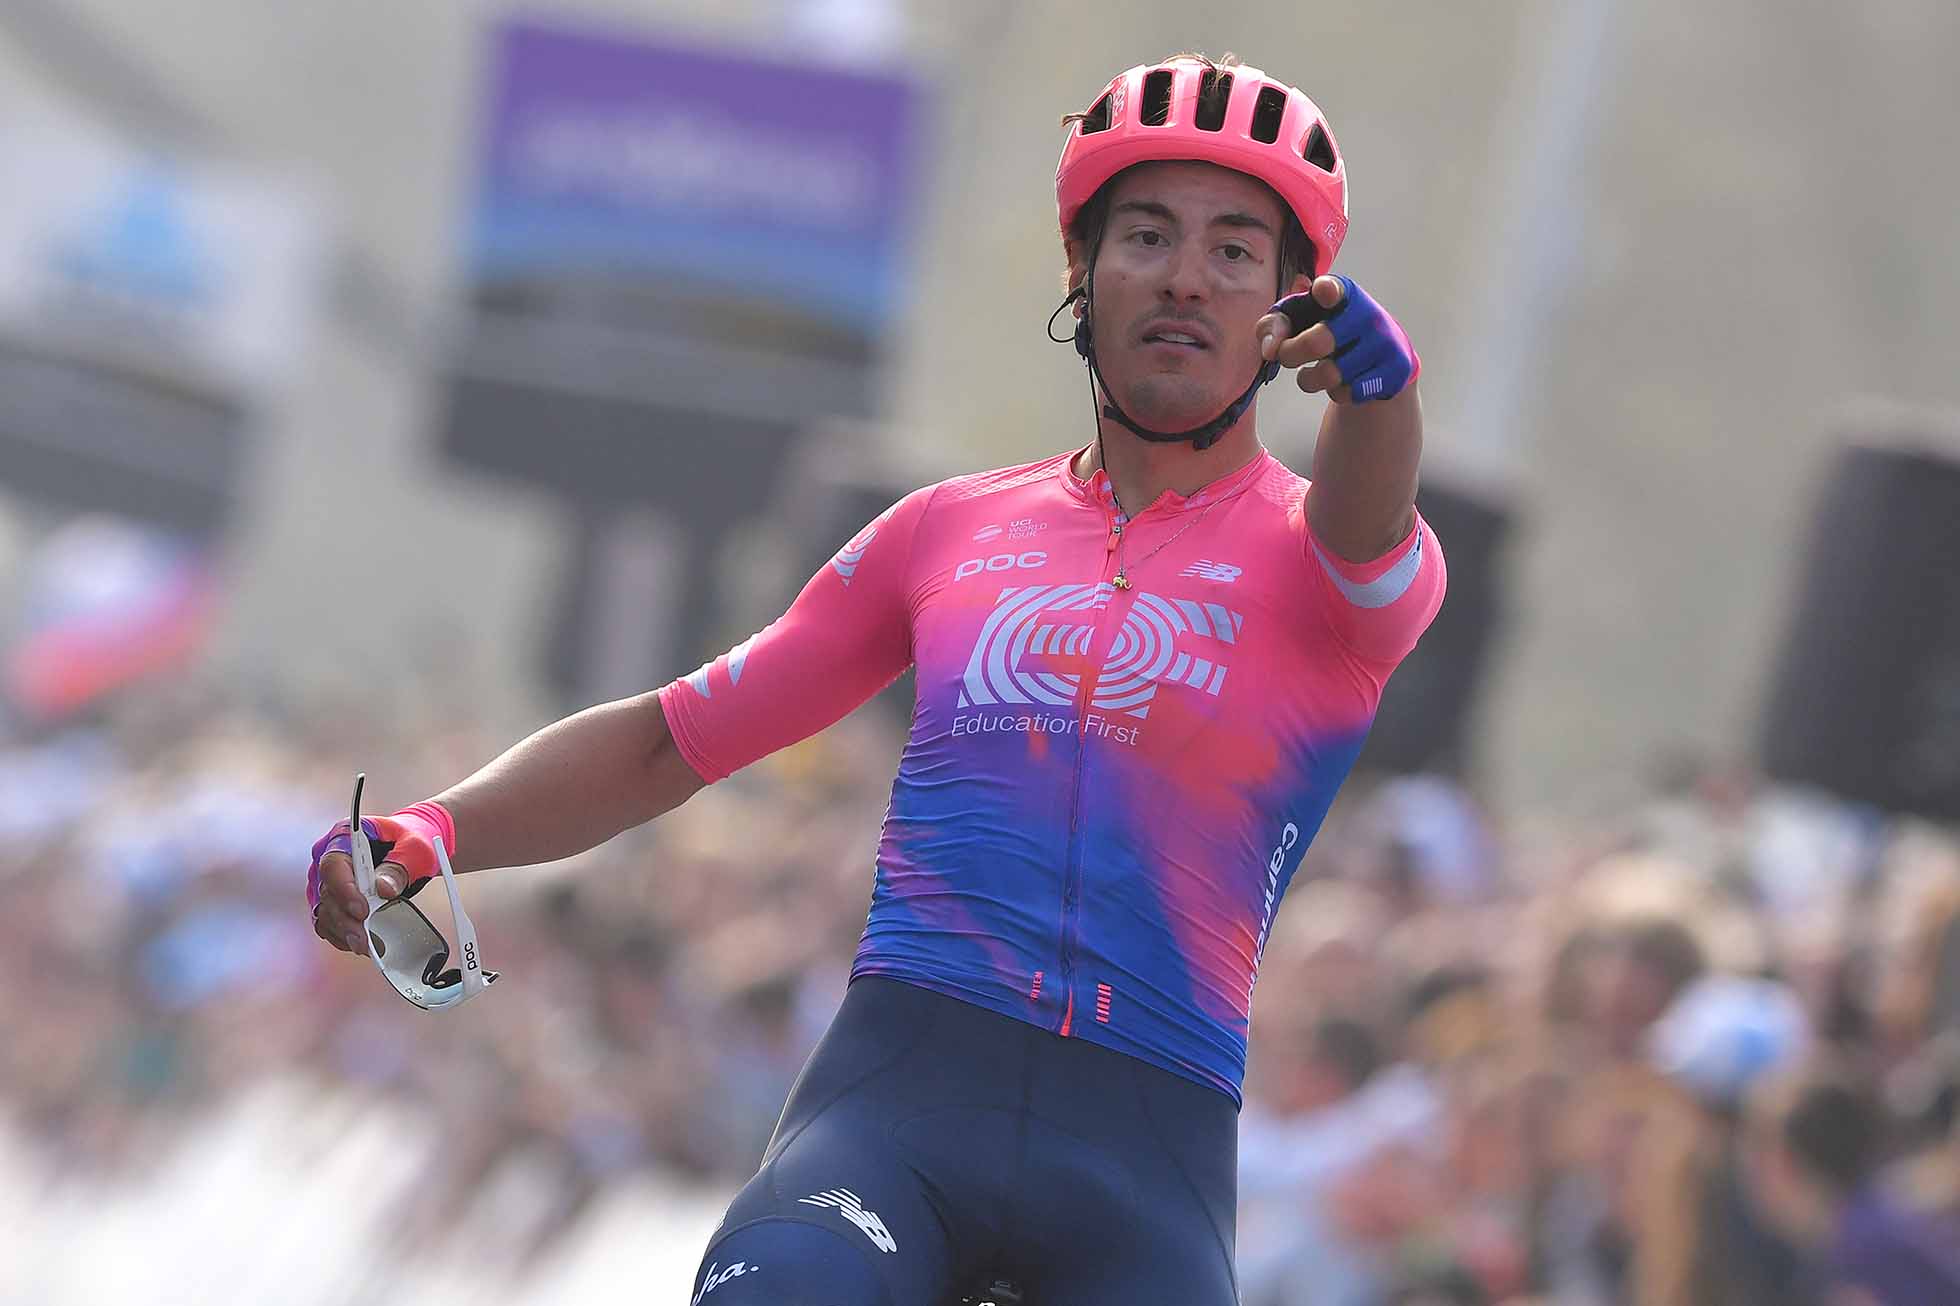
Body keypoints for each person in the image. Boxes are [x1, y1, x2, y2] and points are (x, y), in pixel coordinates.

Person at [306, 52, 1442, 1305]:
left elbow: (1371, 504)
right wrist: (437, 826)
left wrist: (1384, 393)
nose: (1185, 272)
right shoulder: (942, 534)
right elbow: (663, 741)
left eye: (1236, 249)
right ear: (1081, 270)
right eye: (1147, 233)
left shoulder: (1332, 563)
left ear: (1295, 300)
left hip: (1145, 1174)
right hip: (893, 1121)